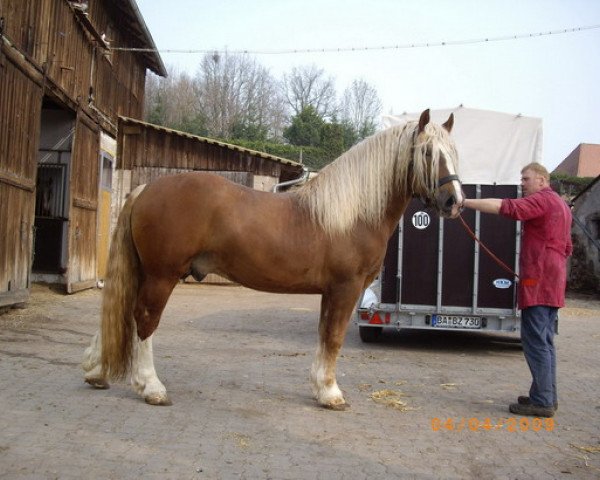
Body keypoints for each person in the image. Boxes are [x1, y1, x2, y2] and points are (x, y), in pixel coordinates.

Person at [461, 162, 572, 418]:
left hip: (540, 281)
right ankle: (545, 395)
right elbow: (567, 248)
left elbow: (506, 208)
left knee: (536, 342)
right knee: (545, 342)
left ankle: (542, 401)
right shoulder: (561, 205)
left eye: (526, 179)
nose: (522, 184)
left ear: (543, 180)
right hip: (552, 282)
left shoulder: (542, 201)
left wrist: (466, 203)